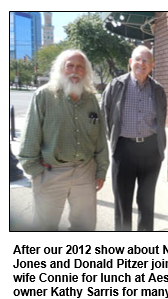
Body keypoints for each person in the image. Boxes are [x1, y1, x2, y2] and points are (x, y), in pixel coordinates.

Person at [18, 50, 109, 231]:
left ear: (86, 72)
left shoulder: (91, 99)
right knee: (44, 228)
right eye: (70, 66)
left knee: (85, 227)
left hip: (85, 172)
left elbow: (100, 139)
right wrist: (36, 173)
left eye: (80, 67)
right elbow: (30, 138)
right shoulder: (43, 96)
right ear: (61, 69)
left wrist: (101, 170)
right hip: (51, 173)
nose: (75, 71)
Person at [101, 46, 167, 231]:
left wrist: (160, 149)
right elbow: (104, 115)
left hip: (150, 151)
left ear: (152, 65)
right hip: (124, 150)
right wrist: (114, 141)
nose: (142, 64)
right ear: (130, 62)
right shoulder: (116, 85)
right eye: (138, 59)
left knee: (147, 203)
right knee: (123, 203)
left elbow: (161, 119)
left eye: (146, 61)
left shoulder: (158, 90)